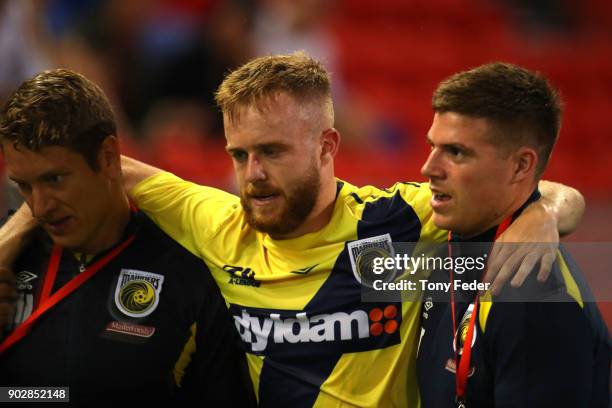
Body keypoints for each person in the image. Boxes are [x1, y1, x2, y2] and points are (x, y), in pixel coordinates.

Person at [0, 54, 584, 407]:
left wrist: (542, 212)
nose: (252, 176)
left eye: (273, 152)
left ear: (327, 146)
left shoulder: (402, 225)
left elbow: (535, 192)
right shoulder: (218, 223)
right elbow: (90, 169)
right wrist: (9, 236)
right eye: (239, 154)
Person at [0, 69, 254, 406]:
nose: (39, 206)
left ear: (108, 157)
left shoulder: (187, 272)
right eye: (24, 186)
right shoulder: (10, 263)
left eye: (56, 179)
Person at [416, 62, 610, 407]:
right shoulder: (441, 233)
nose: (429, 168)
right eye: (433, 146)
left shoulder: (536, 301)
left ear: (521, 166)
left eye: (456, 152)